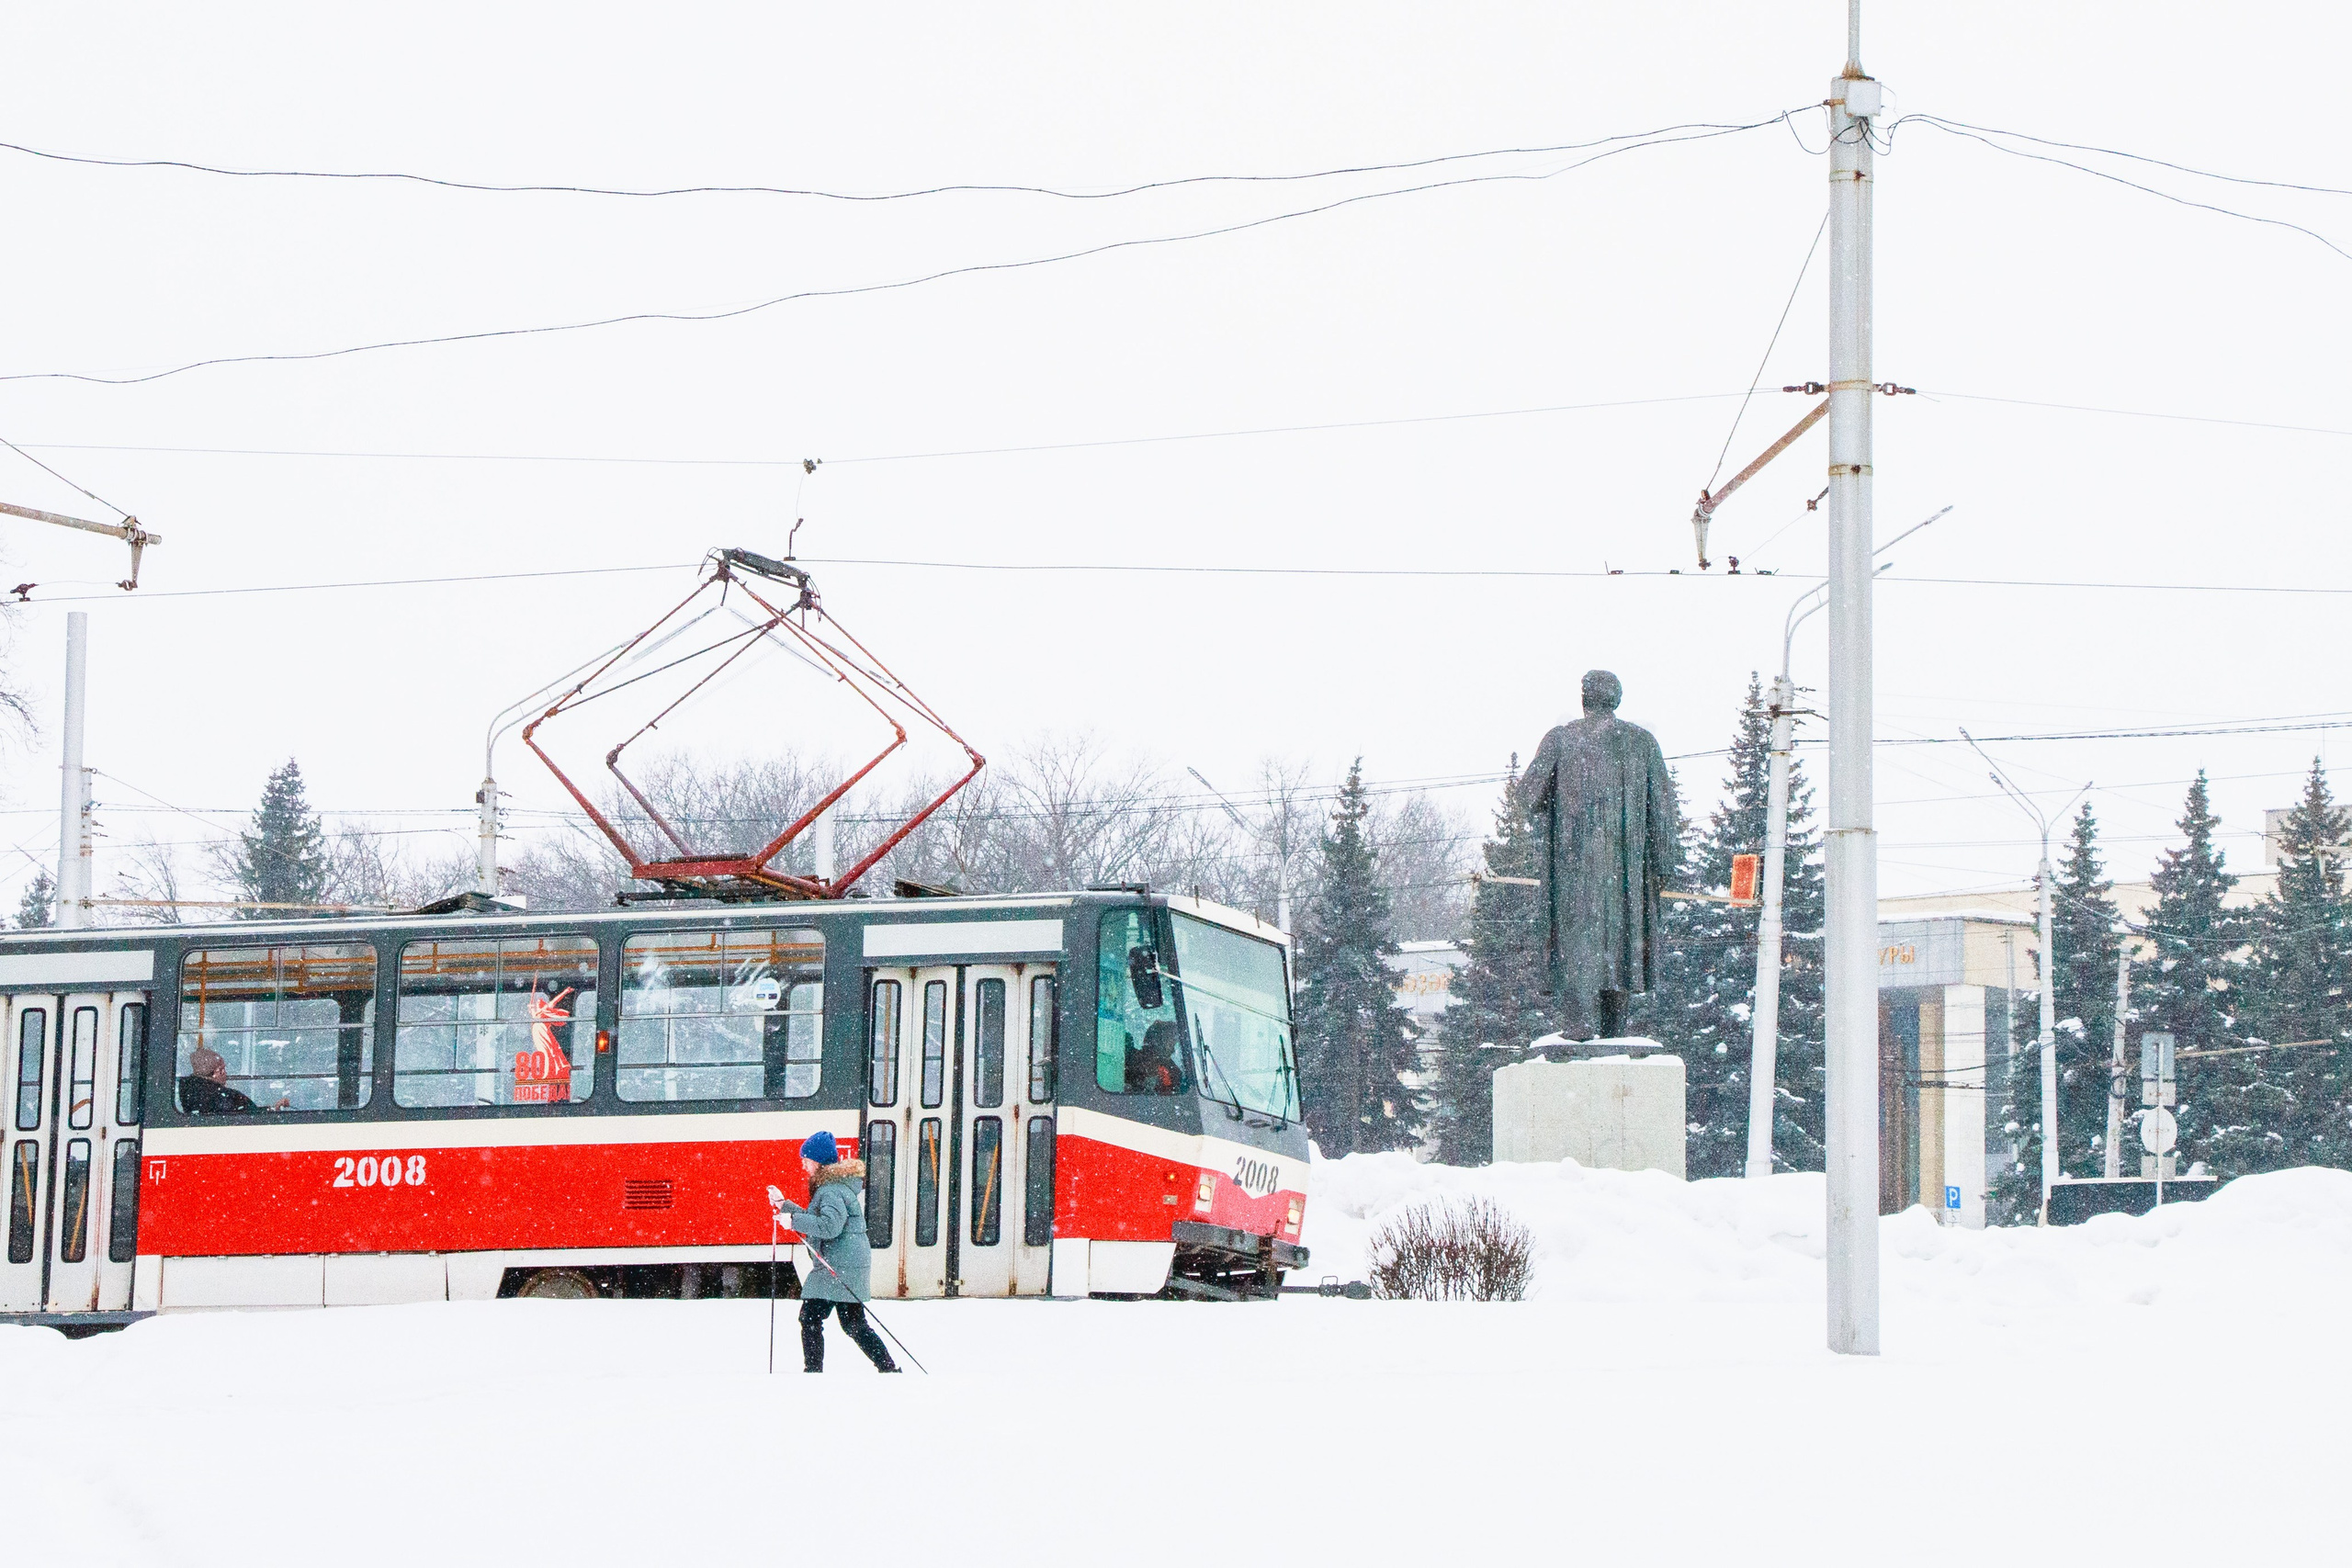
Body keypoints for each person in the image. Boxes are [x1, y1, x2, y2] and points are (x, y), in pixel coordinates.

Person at [773, 1130, 898, 1373]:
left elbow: (829, 1227)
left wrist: (794, 1221)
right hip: (843, 1264)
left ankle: (814, 1372)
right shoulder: (832, 1187)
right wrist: (784, 1206)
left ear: (818, 1161)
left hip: (839, 1267)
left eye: (806, 1160)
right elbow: (820, 1220)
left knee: (812, 1318)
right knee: (852, 1325)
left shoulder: (830, 1190)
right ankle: (888, 1369)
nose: (803, 1164)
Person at [176, 1044, 289, 1114]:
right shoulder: (225, 1097)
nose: (225, 1073)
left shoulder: (188, 1092)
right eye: (223, 1069)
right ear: (217, 1072)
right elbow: (250, 1116)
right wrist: (272, 1110)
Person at [1126, 1019, 1184, 1094]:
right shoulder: (1131, 1062)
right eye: (1170, 1045)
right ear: (1158, 1043)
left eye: (1173, 1045)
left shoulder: (1173, 1072)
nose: (1173, 1051)